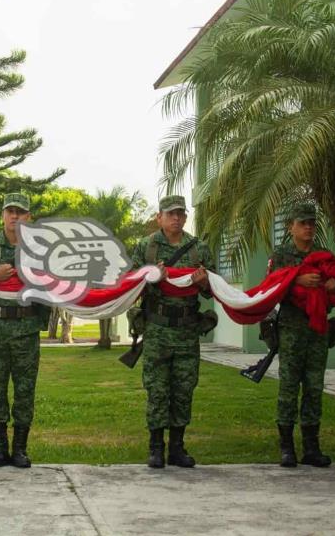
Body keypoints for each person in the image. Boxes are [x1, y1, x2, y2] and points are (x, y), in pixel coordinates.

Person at [132, 195, 214, 469]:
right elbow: (131, 284)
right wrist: (152, 277)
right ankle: (156, 448)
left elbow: (214, 287)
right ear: (160, 217)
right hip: (157, 329)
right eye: (170, 214)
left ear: (186, 217)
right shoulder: (146, 247)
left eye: (180, 213)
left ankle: (177, 448)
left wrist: (204, 283)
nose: (176, 218)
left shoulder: (199, 249)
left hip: (187, 331)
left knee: (183, 389)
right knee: (157, 390)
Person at [0, 192, 50, 468]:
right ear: (3, 215)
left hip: (26, 330)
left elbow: (53, 287)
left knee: (25, 390)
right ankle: (0, 447)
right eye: (10, 211)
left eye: (20, 212)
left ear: (29, 217)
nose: (15, 216)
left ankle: (20, 449)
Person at [269, 203, 335, 468]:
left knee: (314, 387)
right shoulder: (281, 256)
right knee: (289, 386)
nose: (309, 227)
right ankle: (287, 447)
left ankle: (311, 447)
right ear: (291, 227)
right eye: (303, 223)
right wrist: (295, 281)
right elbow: (271, 288)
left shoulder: (323, 255)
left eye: (312, 222)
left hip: (316, 331)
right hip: (291, 329)